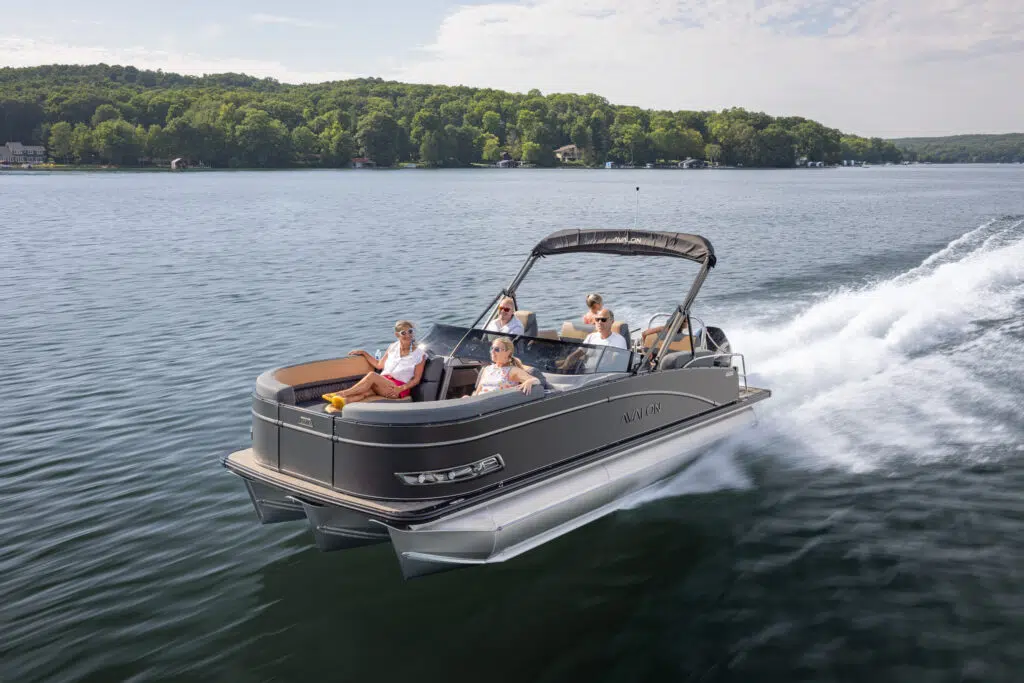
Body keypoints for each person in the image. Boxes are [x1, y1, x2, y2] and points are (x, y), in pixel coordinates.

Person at [323, 320, 427, 412]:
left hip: (397, 389)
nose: (408, 334)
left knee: (372, 375)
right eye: (403, 332)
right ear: (397, 335)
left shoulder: (419, 354)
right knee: (365, 393)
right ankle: (342, 402)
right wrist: (364, 353)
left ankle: (342, 394)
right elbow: (379, 365)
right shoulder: (392, 347)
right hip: (382, 383)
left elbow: (416, 380)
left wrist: (400, 388)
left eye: (410, 331)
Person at [470, 336, 540, 396]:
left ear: (508, 352)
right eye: (492, 348)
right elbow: (477, 392)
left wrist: (529, 382)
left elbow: (536, 380)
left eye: (497, 349)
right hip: (479, 403)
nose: (492, 351)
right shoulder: (487, 369)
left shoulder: (511, 370)